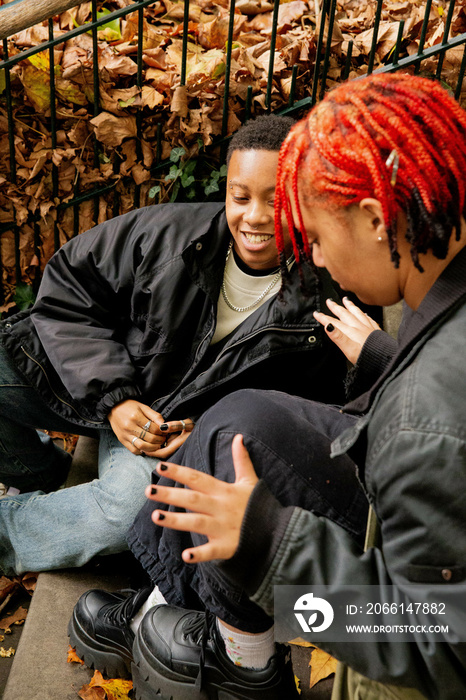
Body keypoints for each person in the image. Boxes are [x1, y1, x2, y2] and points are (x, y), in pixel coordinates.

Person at [70, 72, 466, 700]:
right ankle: (206, 630)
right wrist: (387, 358)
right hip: (398, 466)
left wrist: (275, 544)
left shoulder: (428, 421)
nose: (312, 260)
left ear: (373, 220)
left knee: (238, 479)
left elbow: (440, 640)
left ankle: (247, 664)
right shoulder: (439, 270)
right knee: (235, 422)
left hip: (402, 642)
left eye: (314, 236)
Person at [0, 114, 353, 576]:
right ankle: (47, 475)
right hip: (117, 380)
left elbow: (308, 419)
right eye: (240, 196)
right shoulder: (171, 235)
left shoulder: (327, 300)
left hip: (177, 439)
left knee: (129, 509)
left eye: (277, 199)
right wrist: (115, 399)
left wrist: (206, 434)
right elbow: (70, 287)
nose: (255, 216)